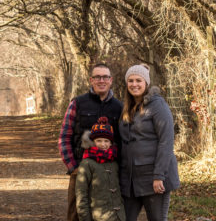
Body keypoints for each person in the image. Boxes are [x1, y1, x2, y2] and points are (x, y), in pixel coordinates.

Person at [59, 63, 123, 221]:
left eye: (105, 77)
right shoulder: (78, 103)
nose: (101, 80)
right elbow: (64, 136)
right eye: (97, 77)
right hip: (80, 169)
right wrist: (73, 167)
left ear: (111, 80)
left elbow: (122, 140)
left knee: (108, 215)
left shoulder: (119, 107)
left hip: (108, 173)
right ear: (91, 80)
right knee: (76, 213)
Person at [119, 64, 180, 221]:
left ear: (146, 82)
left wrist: (159, 175)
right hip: (131, 179)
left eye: (138, 80)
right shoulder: (127, 107)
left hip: (154, 178)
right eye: (130, 80)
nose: (134, 84)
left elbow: (166, 142)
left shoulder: (158, 105)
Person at [75, 116, 126, 221]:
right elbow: (81, 194)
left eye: (106, 141)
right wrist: (85, 218)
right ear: (93, 141)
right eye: (99, 141)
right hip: (99, 217)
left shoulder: (114, 161)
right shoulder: (87, 163)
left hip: (119, 216)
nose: (103, 144)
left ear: (111, 142)